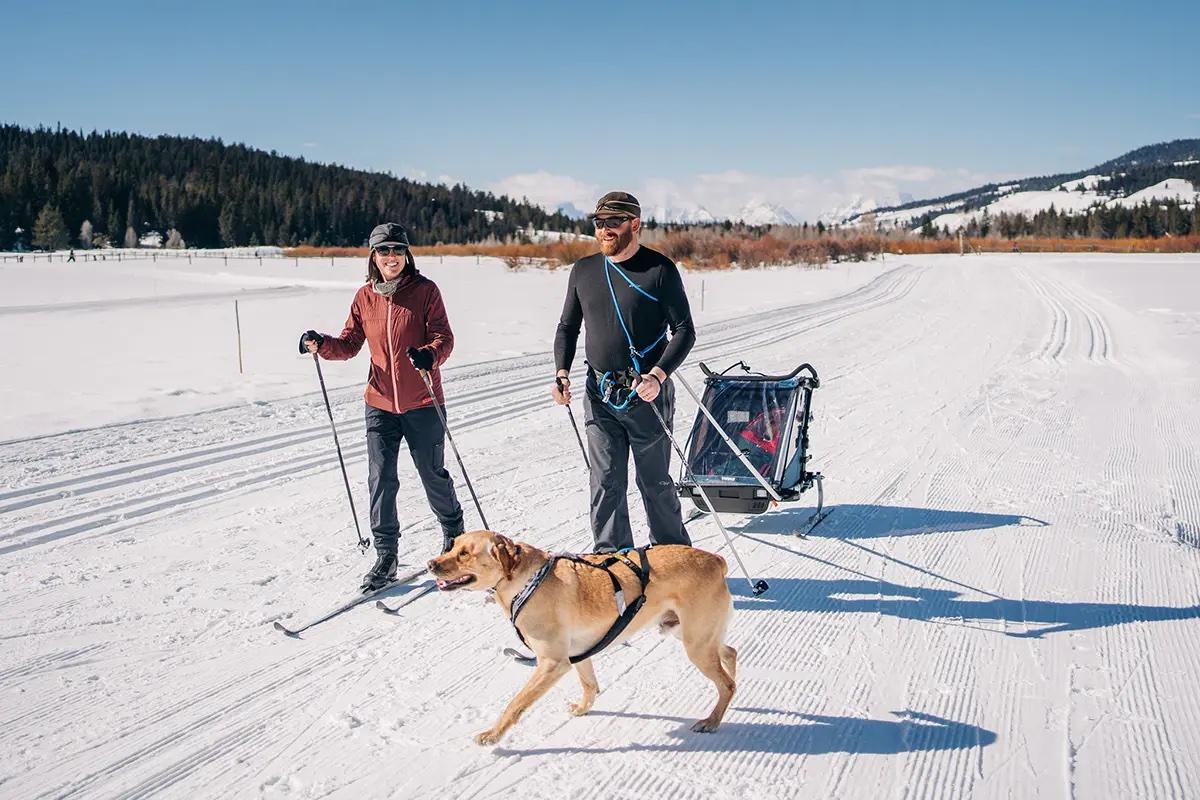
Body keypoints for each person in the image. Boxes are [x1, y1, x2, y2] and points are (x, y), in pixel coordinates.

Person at [300, 222, 465, 591]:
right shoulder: (364, 297)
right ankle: (386, 555)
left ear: (407, 254)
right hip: (379, 403)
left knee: (431, 473)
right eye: (384, 251)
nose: (392, 257)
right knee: (381, 478)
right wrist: (320, 343)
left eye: (398, 250)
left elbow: (444, 337)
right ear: (373, 256)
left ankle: (454, 535)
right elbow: (348, 343)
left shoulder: (425, 291)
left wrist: (430, 354)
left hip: (423, 401)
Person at [552, 192, 696, 553]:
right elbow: (568, 327)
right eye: (599, 223)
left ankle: (673, 560)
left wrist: (658, 376)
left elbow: (684, 331)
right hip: (599, 393)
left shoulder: (659, 270)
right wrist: (562, 373)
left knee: (654, 483)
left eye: (613, 223)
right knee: (605, 481)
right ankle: (614, 562)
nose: (604, 230)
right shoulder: (583, 270)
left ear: (635, 224)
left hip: (647, 393)